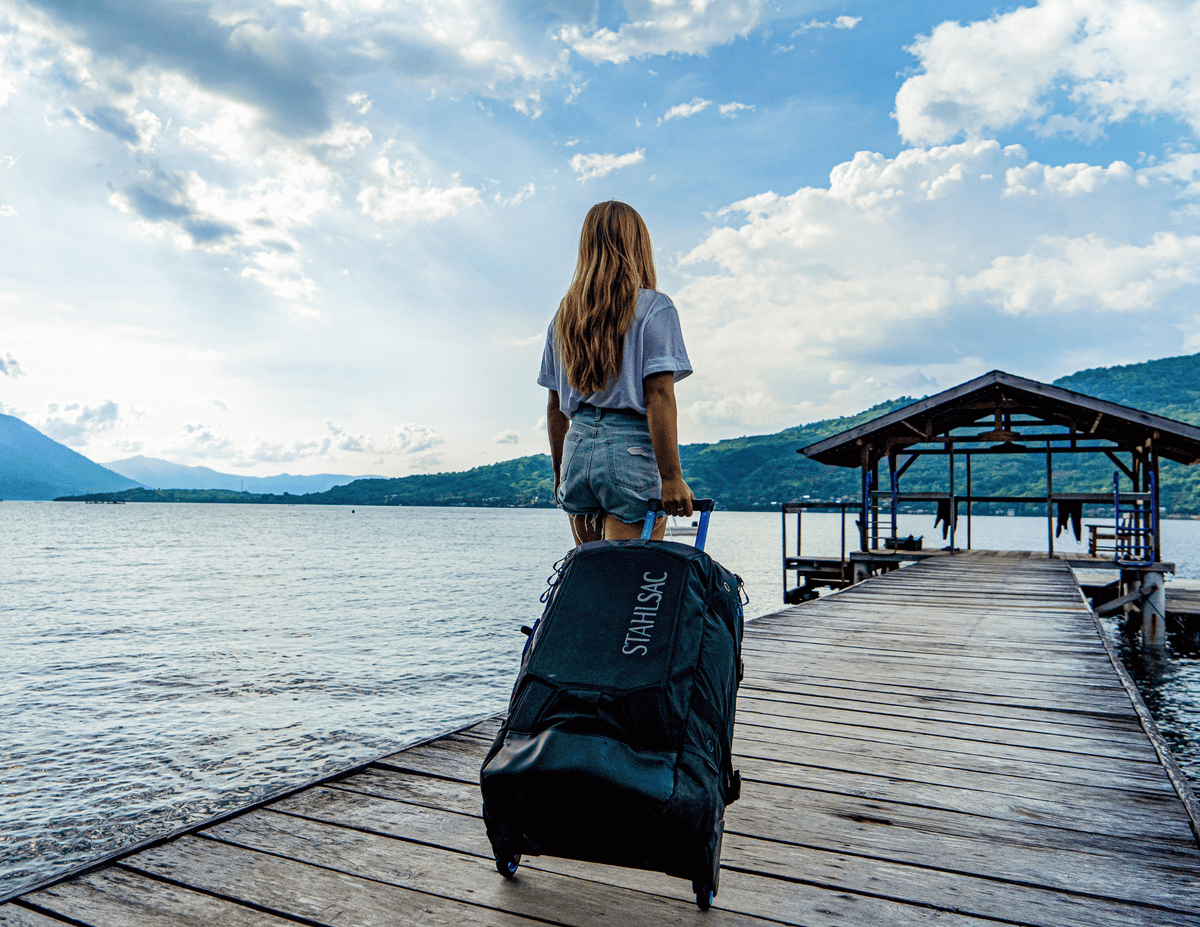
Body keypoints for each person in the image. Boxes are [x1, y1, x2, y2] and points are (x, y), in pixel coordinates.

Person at [538, 200, 694, 545]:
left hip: (576, 452)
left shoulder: (564, 317)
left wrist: (558, 472)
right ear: (638, 245)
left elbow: (554, 406)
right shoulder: (654, 307)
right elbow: (659, 395)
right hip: (629, 452)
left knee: (595, 577)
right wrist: (671, 478)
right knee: (629, 582)